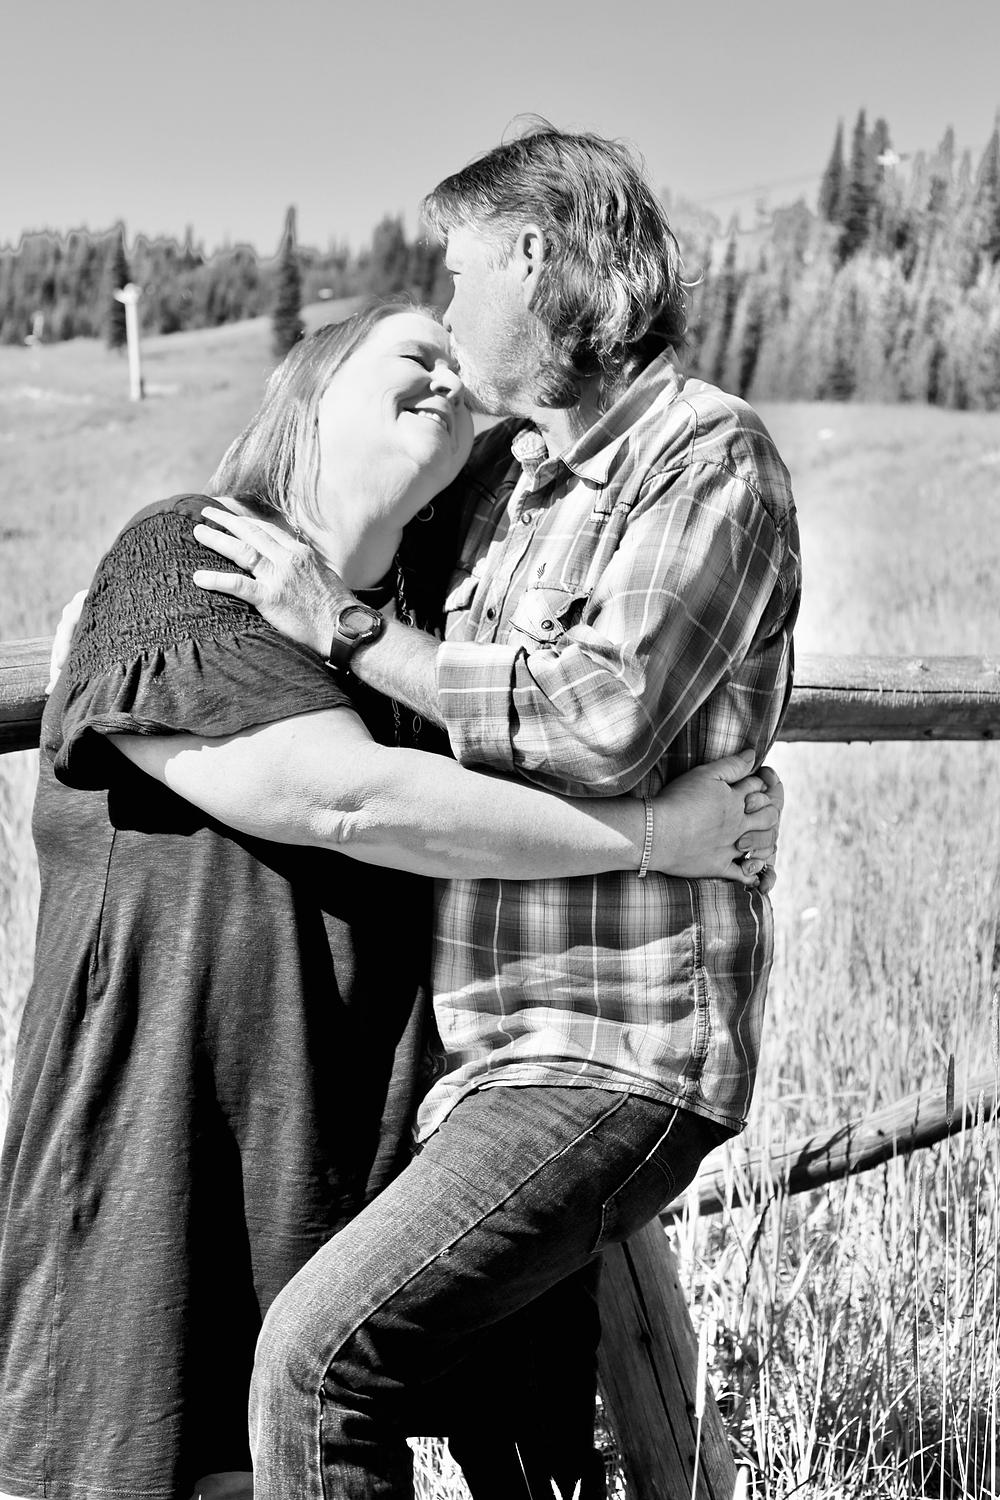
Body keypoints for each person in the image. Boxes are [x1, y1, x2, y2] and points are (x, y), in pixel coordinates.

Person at [0, 302, 781, 1500]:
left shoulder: (417, 659)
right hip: (157, 1139)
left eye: (462, 376)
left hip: (323, 1161)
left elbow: (579, 708)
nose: (449, 380)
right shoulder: (190, 554)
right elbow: (339, 798)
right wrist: (658, 836)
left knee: (295, 1427)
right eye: (416, 356)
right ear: (309, 394)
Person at [187, 125, 803, 1500]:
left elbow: (603, 714)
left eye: (459, 275)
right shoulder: (516, 494)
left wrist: (346, 630)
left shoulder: (705, 456)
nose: (451, 309)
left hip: (613, 1048)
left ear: (533, 257)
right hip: (489, 1064)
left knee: (318, 1361)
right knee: (514, 1429)